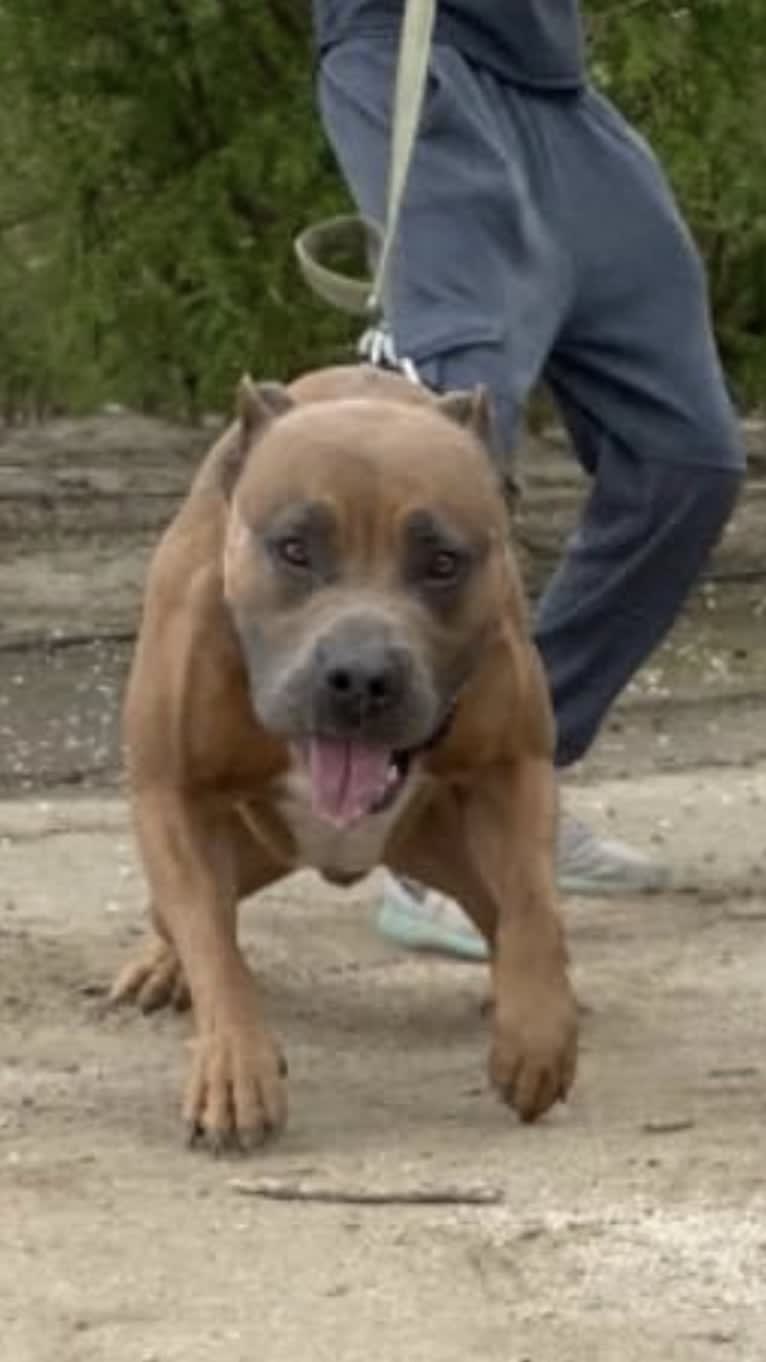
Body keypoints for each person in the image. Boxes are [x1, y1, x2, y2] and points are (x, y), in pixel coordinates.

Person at [311, 0, 746, 959]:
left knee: (686, 459)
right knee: (464, 417)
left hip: (559, 100)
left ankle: (510, 771)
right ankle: (424, 823)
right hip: (417, 58)